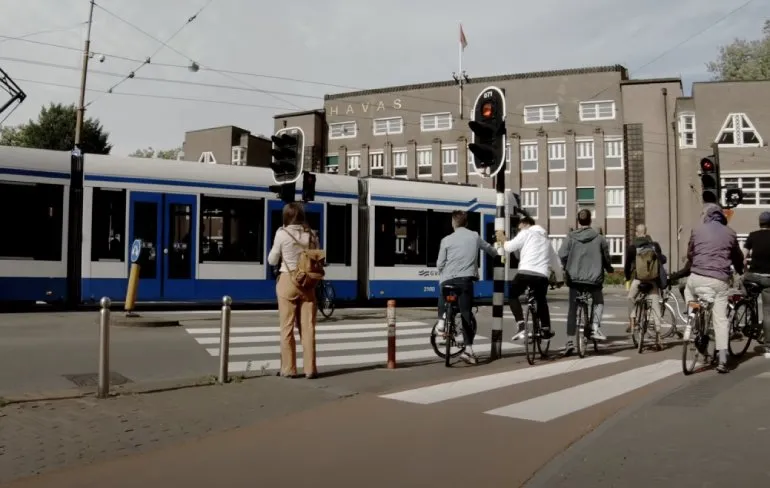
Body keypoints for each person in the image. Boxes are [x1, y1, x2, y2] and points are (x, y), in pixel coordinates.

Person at [671, 203, 744, 373]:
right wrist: (740, 271)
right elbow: (737, 258)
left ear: (707, 216)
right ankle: (723, 358)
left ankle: (692, 316)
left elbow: (690, 253)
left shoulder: (697, 230)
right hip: (719, 280)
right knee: (720, 319)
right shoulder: (730, 233)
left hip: (696, 278)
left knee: (688, 290)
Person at [435, 210, 499, 364]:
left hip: (447, 280)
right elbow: (490, 250)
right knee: (465, 314)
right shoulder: (474, 236)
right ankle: (469, 350)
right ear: (467, 223)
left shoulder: (446, 240)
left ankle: (441, 322)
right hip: (465, 281)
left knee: (444, 294)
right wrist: (499, 253)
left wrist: (443, 270)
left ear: (453, 223)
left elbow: (439, 264)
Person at [267, 202, 320, 379]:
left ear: (286, 216)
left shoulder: (282, 234)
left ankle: (289, 369)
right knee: (308, 327)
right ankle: (310, 369)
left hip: (288, 282)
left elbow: (272, 260)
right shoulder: (312, 235)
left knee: (287, 327)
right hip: (308, 285)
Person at [558, 209, 614, 353]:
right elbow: (606, 258)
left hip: (574, 279)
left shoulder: (570, 237)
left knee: (572, 308)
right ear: (590, 221)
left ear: (578, 221)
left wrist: (566, 265)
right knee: (598, 302)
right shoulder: (599, 238)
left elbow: (562, 254)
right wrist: (609, 269)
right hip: (594, 280)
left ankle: (570, 341)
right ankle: (595, 327)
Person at [503, 215, 564, 342]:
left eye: (519, 227)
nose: (519, 229)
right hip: (541, 275)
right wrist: (559, 279)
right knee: (541, 300)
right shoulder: (546, 241)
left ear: (525, 224)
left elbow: (509, 247)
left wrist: (503, 240)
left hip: (525, 272)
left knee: (512, 295)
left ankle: (521, 325)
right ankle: (546, 329)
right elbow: (556, 263)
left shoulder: (526, 233)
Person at [624, 224, 666, 337]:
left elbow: (627, 266)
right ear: (646, 232)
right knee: (655, 305)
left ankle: (632, 322)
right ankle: (658, 334)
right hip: (652, 281)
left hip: (639, 280)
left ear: (637, 233)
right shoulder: (654, 246)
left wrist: (627, 277)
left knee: (630, 298)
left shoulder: (632, 247)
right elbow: (663, 259)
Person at [741, 211, 770, 358]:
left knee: (745, 286)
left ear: (760, 223)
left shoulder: (752, 235)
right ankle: (768, 343)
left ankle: (747, 307)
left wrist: (745, 270)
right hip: (768, 278)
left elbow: (743, 257)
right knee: (767, 310)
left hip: (753, 276)